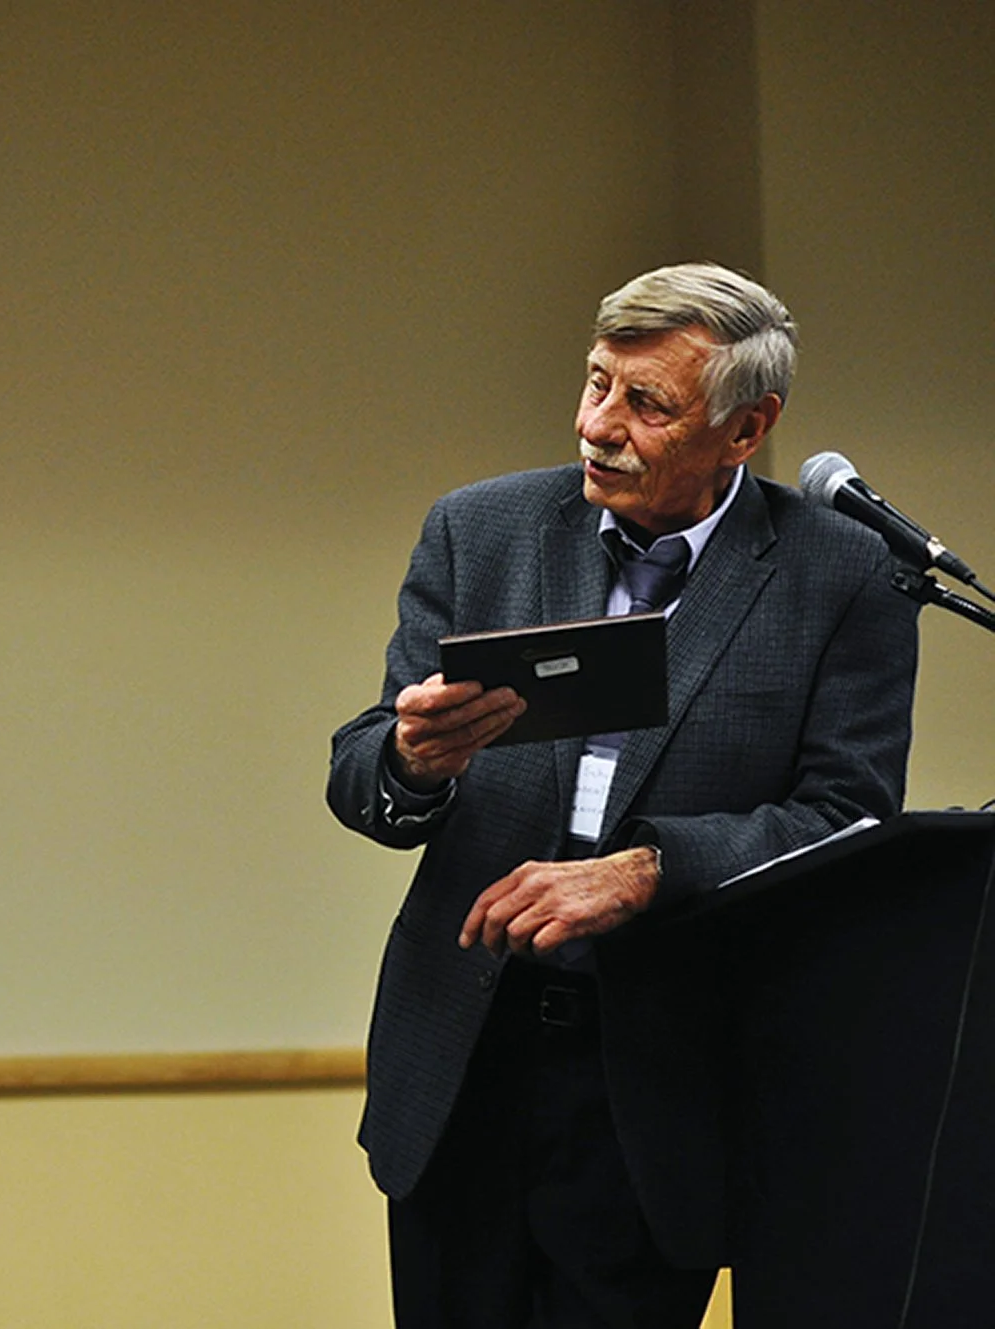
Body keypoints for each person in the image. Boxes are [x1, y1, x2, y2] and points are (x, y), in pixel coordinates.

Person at [326, 263, 917, 1328]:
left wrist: (650, 869)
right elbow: (361, 772)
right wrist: (414, 761)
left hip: (662, 1080)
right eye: (597, 382)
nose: (598, 425)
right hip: (464, 1056)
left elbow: (848, 818)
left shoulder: (840, 574)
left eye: (647, 404)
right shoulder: (480, 530)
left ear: (746, 429)